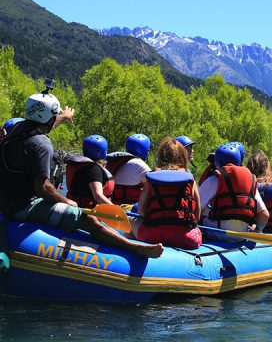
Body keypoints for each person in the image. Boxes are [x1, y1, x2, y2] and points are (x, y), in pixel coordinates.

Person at [0, 91, 163, 258]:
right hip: (24, 207)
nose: (55, 118)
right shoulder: (42, 144)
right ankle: (134, 248)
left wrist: (64, 116)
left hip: (6, 203)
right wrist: (67, 202)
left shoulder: (16, 130)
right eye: (54, 115)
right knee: (88, 219)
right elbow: (42, 187)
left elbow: (43, 124)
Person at [131, 137, 202, 249]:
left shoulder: (151, 177)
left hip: (152, 235)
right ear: (182, 156)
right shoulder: (190, 179)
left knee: (134, 222)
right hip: (186, 238)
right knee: (197, 230)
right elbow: (197, 215)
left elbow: (141, 211)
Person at [199, 143, 269, 242]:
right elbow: (264, 214)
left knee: (202, 216)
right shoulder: (251, 181)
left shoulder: (214, 180)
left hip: (216, 233)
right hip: (241, 236)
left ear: (217, 162)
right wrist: (257, 229)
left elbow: (195, 209)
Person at [66, 135, 115, 208]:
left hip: (77, 207)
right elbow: (98, 195)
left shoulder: (82, 165)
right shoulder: (94, 169)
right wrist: (115, 209)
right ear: (104, 151)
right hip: (89, 211)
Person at [107, 134, 151, 205]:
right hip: (132, 209)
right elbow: (153, 187)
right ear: (146, 151)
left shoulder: (115, 161)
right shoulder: (140, 165)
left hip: (114, 205)